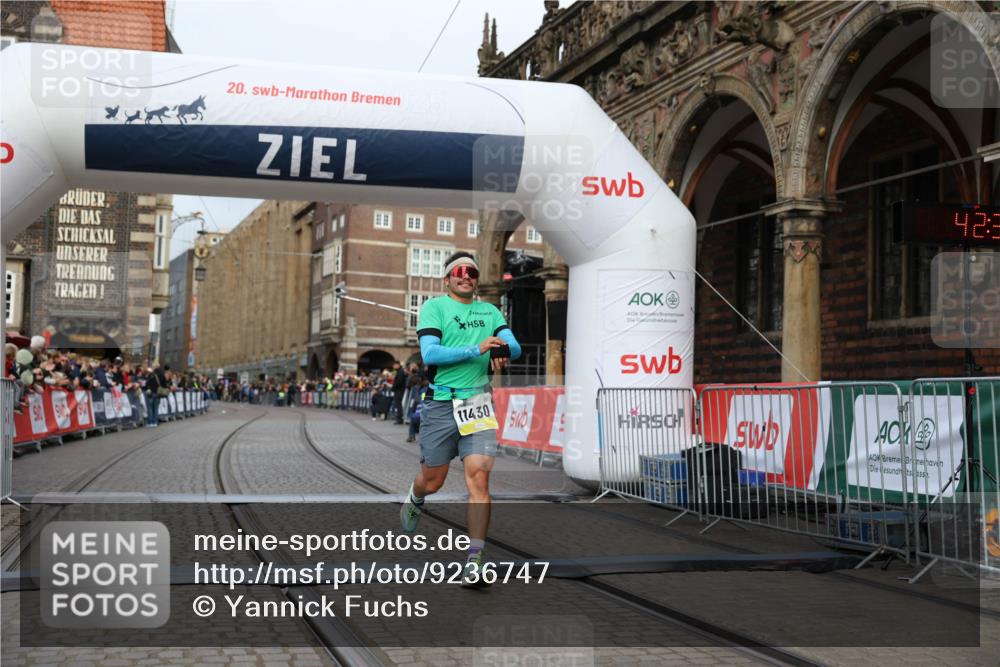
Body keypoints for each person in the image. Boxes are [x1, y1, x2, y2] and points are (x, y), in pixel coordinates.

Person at [399, 251, 521, 587]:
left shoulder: (490, 310)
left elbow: (515, 346)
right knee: (434, 479)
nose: (466, 276)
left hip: (479, 403)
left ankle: (474, 560)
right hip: (441, 404)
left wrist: (501, 350)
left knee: (479, 480)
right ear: (448, 278)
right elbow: (430, 354)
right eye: (460, 271)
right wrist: (477, 349)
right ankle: (416, 495)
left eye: (472, 273)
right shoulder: (435, 307)